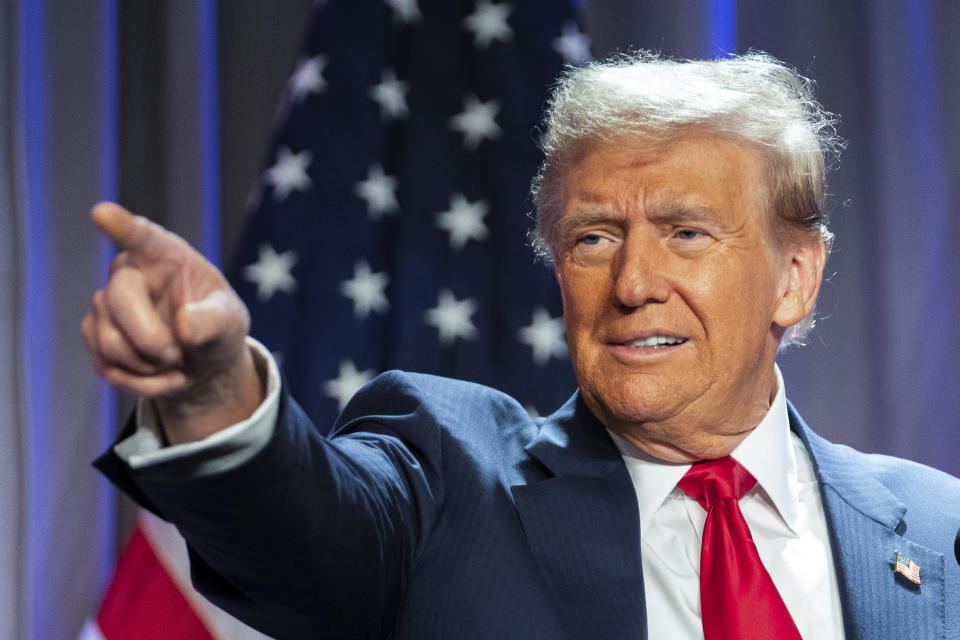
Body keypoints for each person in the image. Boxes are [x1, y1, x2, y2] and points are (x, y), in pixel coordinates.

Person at [86, 52, 960, 639]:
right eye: (592, 238)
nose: (632, 282)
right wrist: (209, 394)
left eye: (687, 233)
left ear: (795, 277)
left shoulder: (936, 529)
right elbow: (303, 534)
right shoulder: (447, 481)